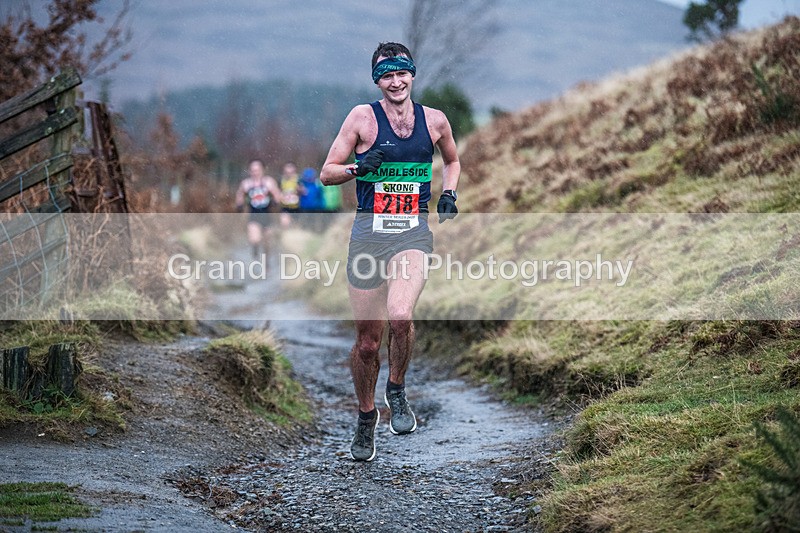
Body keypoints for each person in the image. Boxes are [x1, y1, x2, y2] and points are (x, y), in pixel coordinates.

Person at [320, 42, 460, 462]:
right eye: (386, 74)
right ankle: (367, 418)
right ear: (377, 80)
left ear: (412, 75)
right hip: (368, 235)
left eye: (402, 73)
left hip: (411, 233)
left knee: (400, 315)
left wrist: (449, 192)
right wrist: (357, 169)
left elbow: (452, 161)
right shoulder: (362, 118)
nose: (395, 81)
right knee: (367, 342)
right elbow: (327, 173)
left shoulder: (434, 121)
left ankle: (396, 388)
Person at [235, 159, 282, 259]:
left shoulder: (268, 182)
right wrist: (239, 204)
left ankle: (267, 262)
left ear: (262, 170)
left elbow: (277, 194)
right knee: (254, 239)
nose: (255, 172)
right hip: (254, 214)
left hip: (267, 214)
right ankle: (255, 251)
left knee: (267, 242)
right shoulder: (246, 184)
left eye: (257, 170)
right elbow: (240, 194)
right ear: (249, 171)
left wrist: (276, 201)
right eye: (253, 170)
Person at [299, 167, 325, 231]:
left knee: (316, 222)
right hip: (305, 208)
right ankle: (307, 232)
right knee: (306, 222)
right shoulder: (302, 185)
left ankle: (316, 231)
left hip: (316, 208)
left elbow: (320, 196)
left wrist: (321, 205)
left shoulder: (317, 185)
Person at [279, 162, 301, 228]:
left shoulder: (298, 179)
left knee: (296, 225)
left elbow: (304, 191)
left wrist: (299, 190)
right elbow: (279, 191)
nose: (288, 174)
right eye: (286, 172)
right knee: (284, 223)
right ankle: (285, 236)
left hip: (296, 206)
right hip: (285, 206)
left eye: (290, 172)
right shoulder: (282, 180)